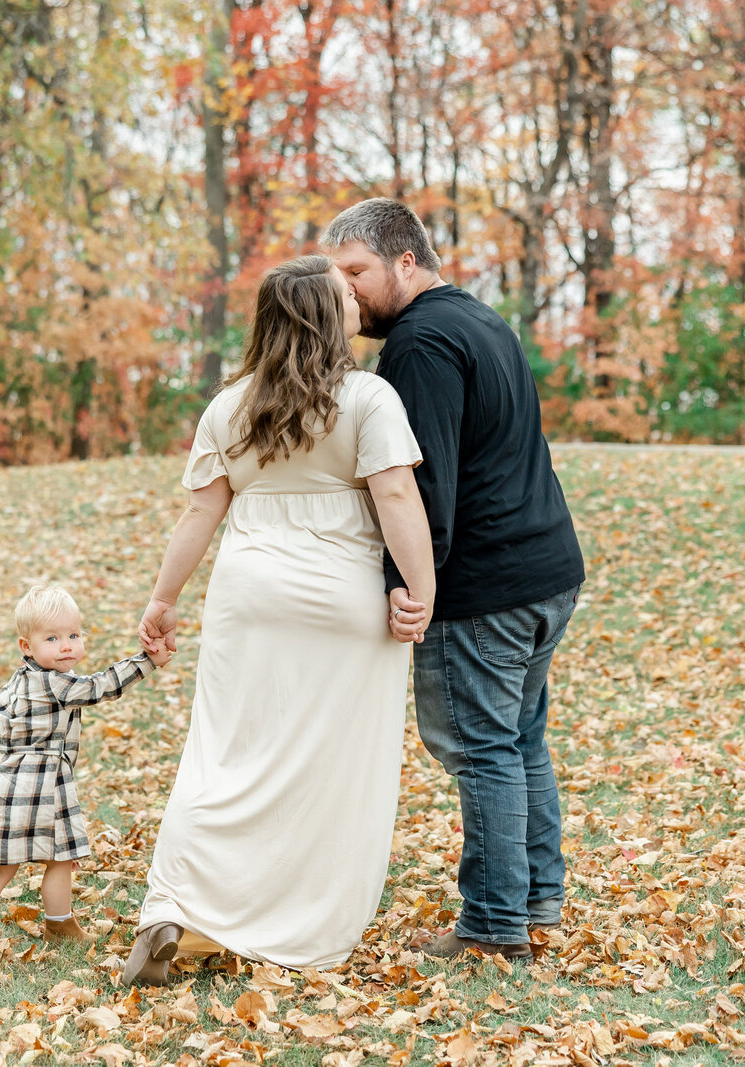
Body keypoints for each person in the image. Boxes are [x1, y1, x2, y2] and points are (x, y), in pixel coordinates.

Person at [125, 254, 435, 984]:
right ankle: (295, 922)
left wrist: (162, 600)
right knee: (329, 765)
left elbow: (201, 512)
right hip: (340, 596)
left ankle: (173, 902)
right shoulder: (367, 398)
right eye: (343, 294)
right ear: (329, 319)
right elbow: (395, 499)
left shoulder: (228, 406)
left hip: (247, 596)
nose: (357, 298)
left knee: (225, 753)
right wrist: (420, 587)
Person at [323, 198, 585, 959]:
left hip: (486, 585)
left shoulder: (419, 345)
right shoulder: (478, 319)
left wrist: (411, 583)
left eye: (356, 271)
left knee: (481, 747)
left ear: (406, 261)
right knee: (518, 737)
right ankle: (538, 898)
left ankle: (494, 927)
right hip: (546, 570)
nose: (346, 291)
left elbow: (419, 484)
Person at [0, 584, 171, 962]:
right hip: (44, 782)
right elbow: (99, 688)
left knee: (1, 863)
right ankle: (59, 924)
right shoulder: (54, 683)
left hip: (6, 777)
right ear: (26, 646)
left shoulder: (16, 682)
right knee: (61, 856)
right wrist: (146, 661)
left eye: (73, 635)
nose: (66, 645)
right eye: (52, 638)